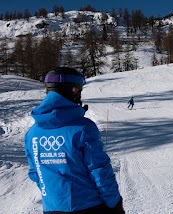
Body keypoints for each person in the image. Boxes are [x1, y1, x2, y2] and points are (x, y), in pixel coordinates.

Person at [24, 67, 125, 214]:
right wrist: (115, 203)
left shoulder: (32, 133)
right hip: (89, 206)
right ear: (73, 90)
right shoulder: (83, 128)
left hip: (52, 208)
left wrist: (55, 196)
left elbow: (35, 173)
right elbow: (100, 171)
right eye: (79, 90)